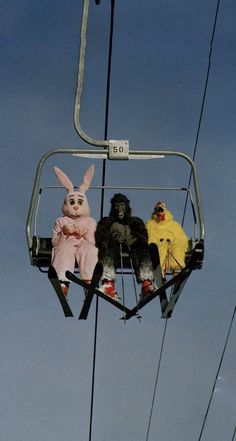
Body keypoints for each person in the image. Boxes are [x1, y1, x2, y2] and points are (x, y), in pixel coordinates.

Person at [95, 193, 156, 299]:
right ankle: (108, 284)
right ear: (113, 207)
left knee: (142, 247)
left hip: (133, 248)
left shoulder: (136, 221)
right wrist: (113, 236)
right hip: (113, 248)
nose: (119, 209)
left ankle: (147, 284)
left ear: (127, 206)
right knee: (106, 244)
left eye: (122, 205)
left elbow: (144, 237)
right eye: (117, 205)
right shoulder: (106, 221)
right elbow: (99, 238)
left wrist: (135, 237)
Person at [51, 165, 98, 297]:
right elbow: (55, 242)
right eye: (71, 202)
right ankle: (62, 281)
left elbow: (94, 241)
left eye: (79, 203)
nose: (76, 206)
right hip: (67, 243)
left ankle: (89, 281)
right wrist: (64, 233)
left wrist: (86, 232)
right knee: (64, 249)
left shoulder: (90, 221)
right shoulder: (61, 221)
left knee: (90, 250)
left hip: (84, 244)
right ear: (66, 205)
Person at [146, 201, 189, 277]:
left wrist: (172, 242)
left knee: (177, 247)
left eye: (161, 210)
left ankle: (177, 271)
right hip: (158, 246)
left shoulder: (174, 225)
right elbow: (148, 237)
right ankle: (160, 272)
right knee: (158, 248)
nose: (159, 213)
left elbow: (181, 238)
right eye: (157, 211)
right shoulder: (150, 225)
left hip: (171, 247)